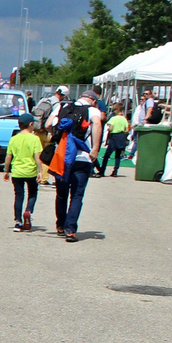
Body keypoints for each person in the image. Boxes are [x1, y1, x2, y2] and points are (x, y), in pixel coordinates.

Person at [48, 93, 95, 241]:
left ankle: (60, 225)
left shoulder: (62, 107)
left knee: (61, 194)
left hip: (62, 157)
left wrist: (56, 137)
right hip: (82, 157)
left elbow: (48, 124)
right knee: (77, 195)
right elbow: (98, 124)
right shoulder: (92, 110)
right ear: (93, 100)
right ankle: (71, 229)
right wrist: (96, 148)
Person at [4, 113, 41, 231]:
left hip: (17, 171)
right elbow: (37, 156)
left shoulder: (14, 139)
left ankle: (18, 221)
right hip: (31, 171)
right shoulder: (35, 139)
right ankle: (28, 210)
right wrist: (40, 171)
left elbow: (9, 156)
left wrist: (6, 170)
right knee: (33, 193)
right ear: (30, 124)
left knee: (19, 195)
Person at [97, 104, 129, 178]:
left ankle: (102, 170)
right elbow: (127, 129)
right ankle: (115, 171)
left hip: (114, 136)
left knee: (107, 154)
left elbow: (111, 128)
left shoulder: (113, 119)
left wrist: (109, 129)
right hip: (121, 136)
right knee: (118, 155)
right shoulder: (124, 119)